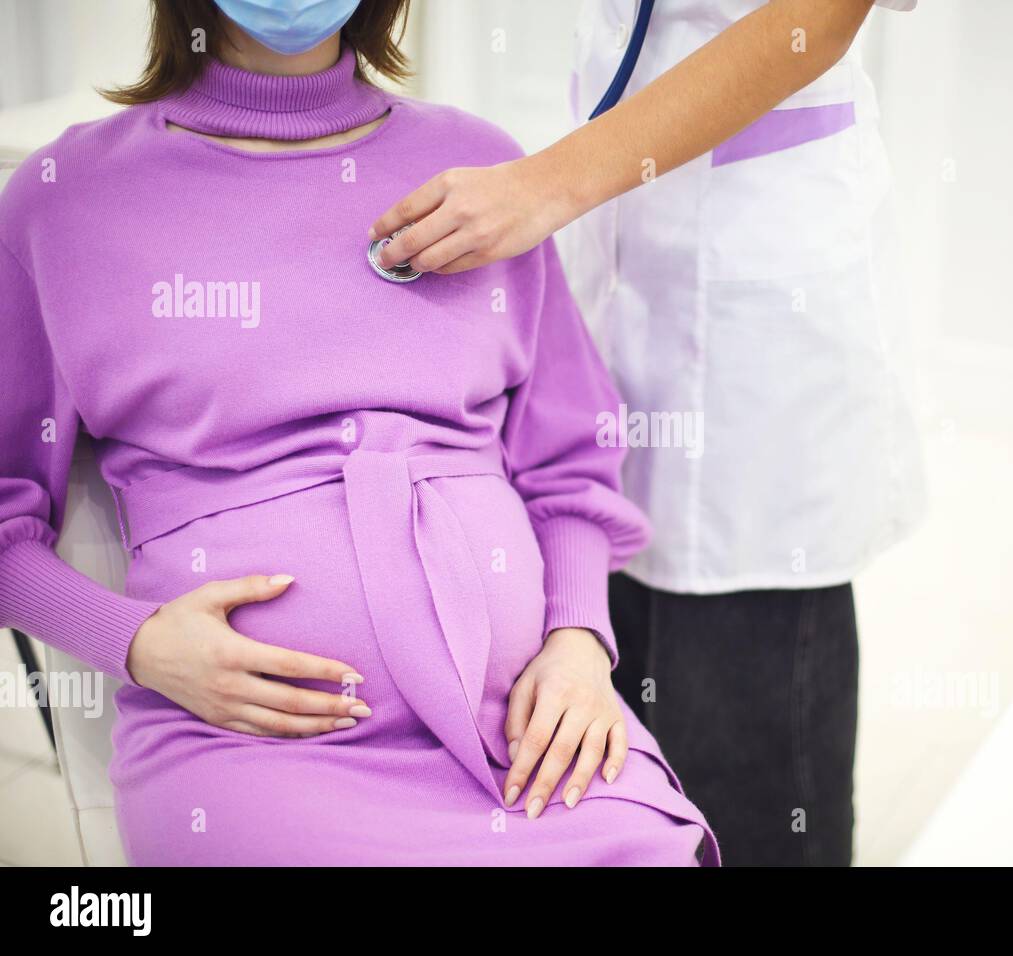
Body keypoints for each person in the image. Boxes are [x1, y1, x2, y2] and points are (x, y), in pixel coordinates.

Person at [0, 0, 715, 866]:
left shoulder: (482, 173)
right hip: (255, 751)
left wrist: (577, 644)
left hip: (528, 730)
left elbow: (569, 471)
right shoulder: (65, 199)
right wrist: (138, 646)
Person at [369, 0, 925, 866]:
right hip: (618, 239)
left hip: (757, 286)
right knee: (613, 729)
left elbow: (816, 16)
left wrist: (545, 186)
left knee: (747, 748)